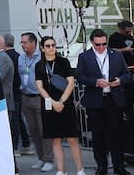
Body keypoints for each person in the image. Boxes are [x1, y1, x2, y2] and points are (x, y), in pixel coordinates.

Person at [75, 29, 132, 175]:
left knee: (116, 135)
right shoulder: (84, 57)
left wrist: (119, 81)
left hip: (114, 100)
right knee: (98, 136)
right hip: (95, 101)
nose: (101, 47)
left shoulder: (116, 55)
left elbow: (126, 74)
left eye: (104, 44)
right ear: (92, 43)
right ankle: (102, 166)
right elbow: (80, 76)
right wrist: (95, 82)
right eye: (98, 44)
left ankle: (119, 166)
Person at [35, 36, 84, 175]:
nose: (51, 48)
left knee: (72, 138)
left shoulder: (63, 62)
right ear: (42, 48)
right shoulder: (39, 65)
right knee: (55, 139)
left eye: (53, 45)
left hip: (65, 104)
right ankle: (61, 171)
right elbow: (39, 87)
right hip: (49, 104)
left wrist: (61, 102)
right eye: (48, 46)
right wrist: (52, 101)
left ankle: (80, 170)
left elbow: (70, 82)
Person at [19, 32, 55, 172]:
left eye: (25, 42)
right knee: (33, 130)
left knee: (43, 130)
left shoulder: (43, 57)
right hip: (26, 97)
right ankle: (40, 158)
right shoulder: (21, 58)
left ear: (33, 43)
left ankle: (49, 159)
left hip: (40, 97)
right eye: (21, 42)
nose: (22, 45)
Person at [0, 34, 19, 174]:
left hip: (4, 103)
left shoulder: (2, 59)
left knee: (4, 139)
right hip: (1, 103)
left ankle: (12, 167)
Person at [5, 33, 32, 155]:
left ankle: (15, 146)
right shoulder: (19, 57)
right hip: (20, 91)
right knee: (19, 119)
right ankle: (26, 143)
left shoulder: (4, 57)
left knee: (14, 120)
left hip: (12, 92)